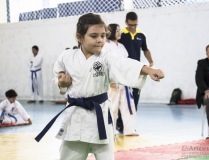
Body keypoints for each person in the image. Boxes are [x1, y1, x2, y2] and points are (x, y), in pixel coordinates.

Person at [35, 13, 164, 160]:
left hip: (100, 117)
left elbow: (123, 64)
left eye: (103, 36)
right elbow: (58, 78)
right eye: (94, 36)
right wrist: (62, 84)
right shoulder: (66, 57)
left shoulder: (106, 58)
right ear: (79, 37)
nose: (100, 40)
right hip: (75, 120)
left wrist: (148, 69)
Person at [117, 11, 155, 133]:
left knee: (135, 97)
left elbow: (145, 49)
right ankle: (120, 123)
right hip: (123, 71)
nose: (133, 27)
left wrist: (151, 62)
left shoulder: (141, 35)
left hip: (137, 71)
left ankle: (130, 124)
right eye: (130, 25)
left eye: (135, 24)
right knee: (122, 98)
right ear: (126, 22)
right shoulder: (120, 34)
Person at [103, 23, 138, 136]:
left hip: (125, 82)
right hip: (113, 82)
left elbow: (126, 64)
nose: (120, 32)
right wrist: (111, 80)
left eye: (120, 30)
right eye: (117, 30)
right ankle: (110, 131)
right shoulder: (106, 46)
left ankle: (129, 130)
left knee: (128, 106)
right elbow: (106, 64)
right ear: (111, 32)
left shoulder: (122, 47)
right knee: (112, 107)